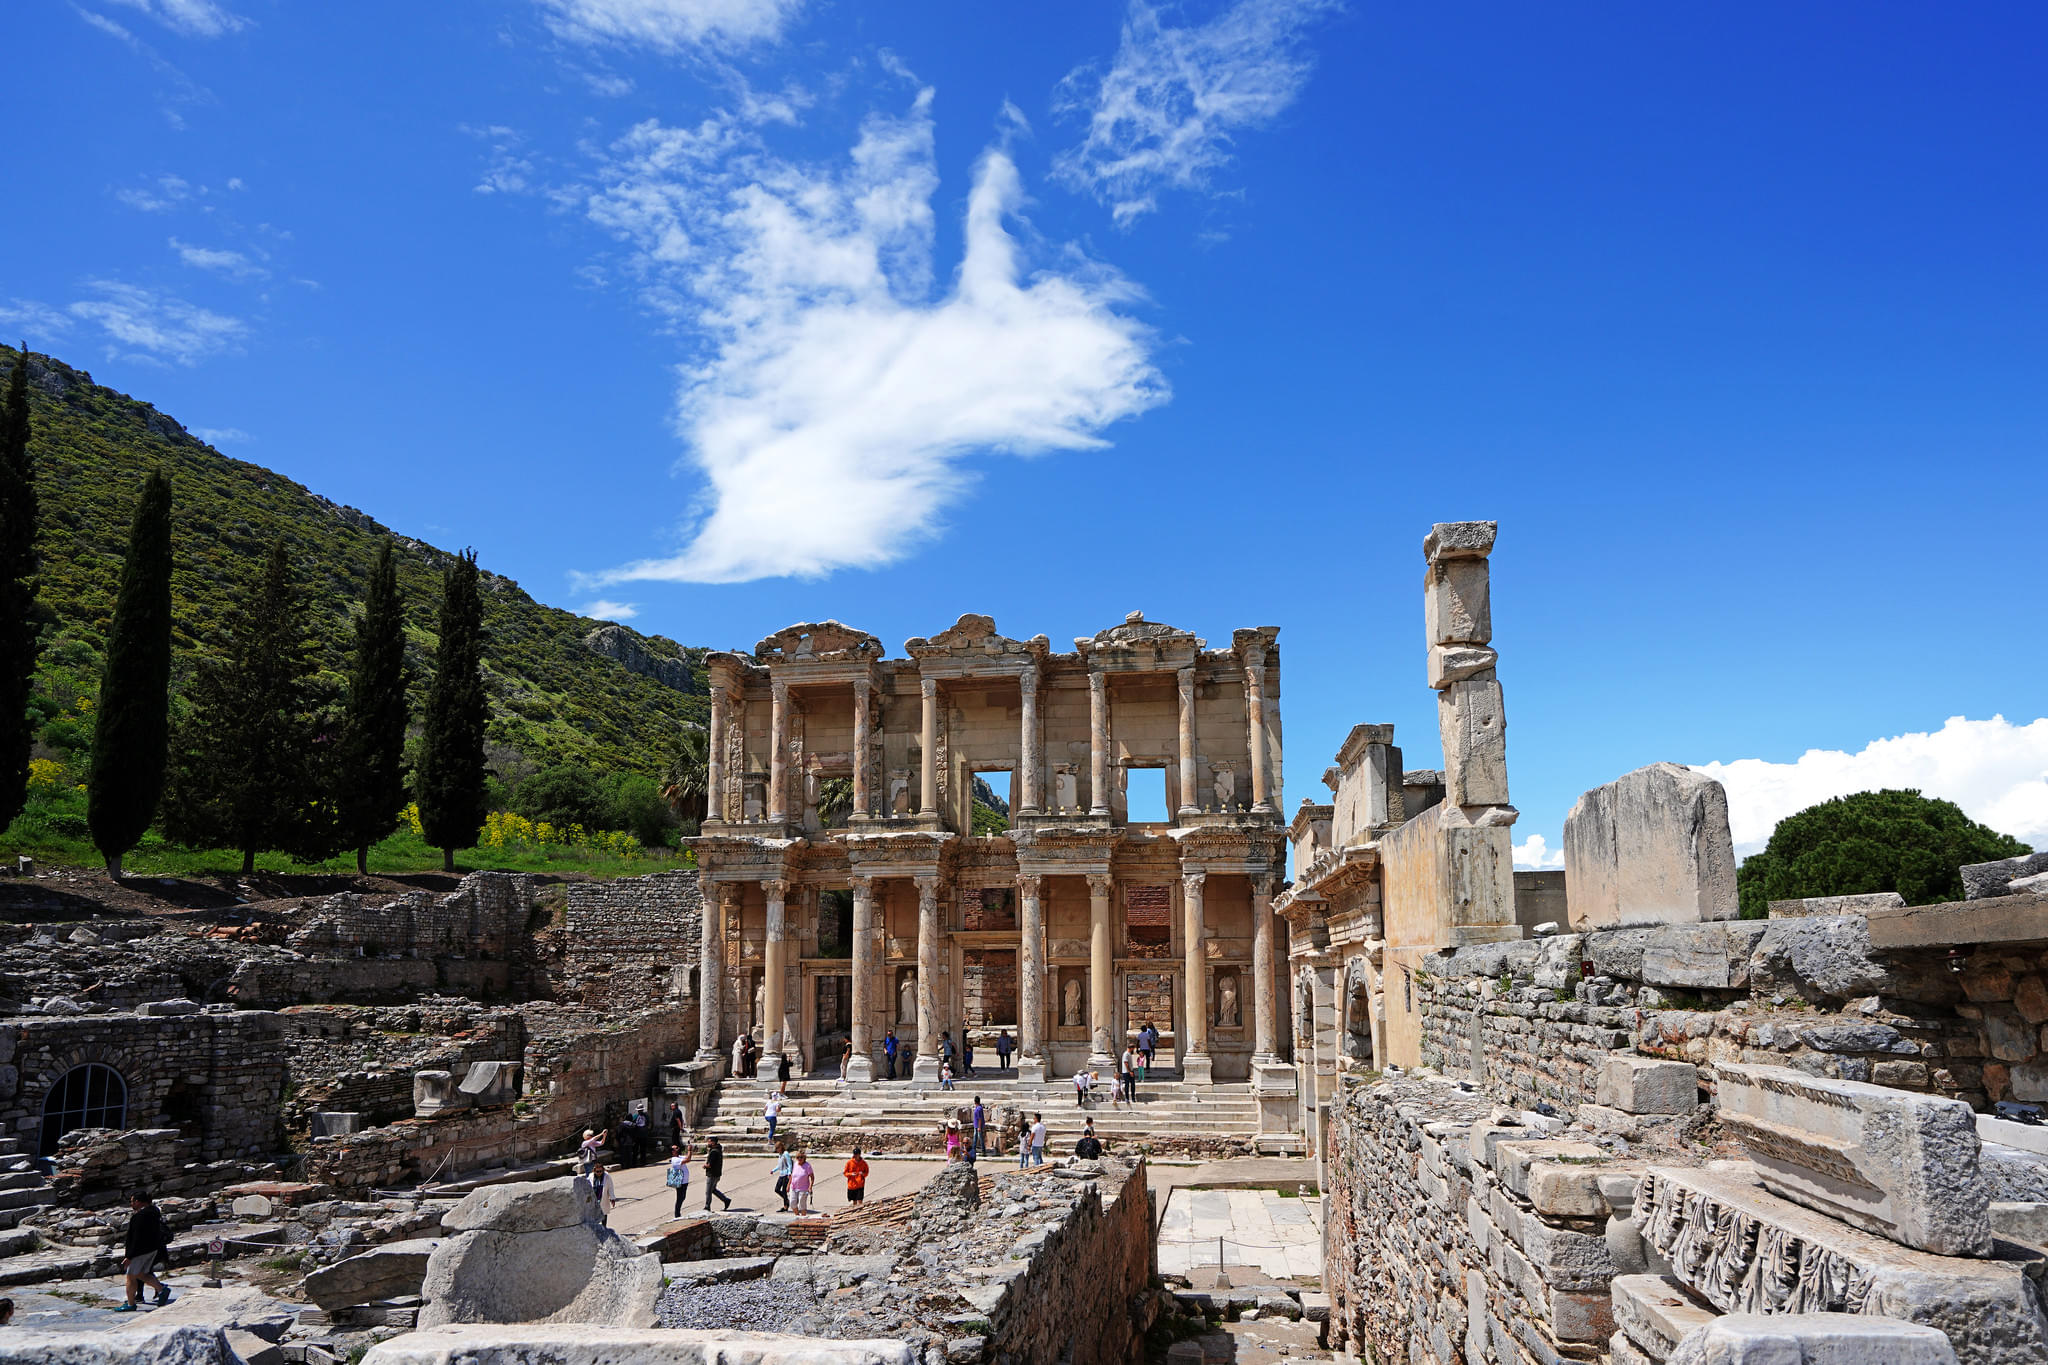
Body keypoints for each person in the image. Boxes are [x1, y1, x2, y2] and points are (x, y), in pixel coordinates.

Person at [115, 1191, 172, 1312]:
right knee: (141, 1274)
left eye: (132, 1201)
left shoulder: (139, 1216)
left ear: (138, 1202)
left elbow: (136, 1237)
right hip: (152, 1249)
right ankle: (161, 1289)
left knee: (130, 1278)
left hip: (139, 1251)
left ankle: (131, 1304)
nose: (131, 1204)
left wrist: (129, 1256)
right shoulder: (154, 1211)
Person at [703, 1137, 732, 1211]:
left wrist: (705, 1166)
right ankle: (725, 1200)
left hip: (712, 1174)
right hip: (717, 1174)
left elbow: (709, 1165)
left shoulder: (714, 1152)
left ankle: (707, 1206)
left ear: (713, 1142)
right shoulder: (718, 1149)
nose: (708, 1143)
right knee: (713, 1189)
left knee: (708, 1191)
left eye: (709, 1142)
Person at [666, 1144, 692, 1219]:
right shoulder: (675, 1160)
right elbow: (687, 1160)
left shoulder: (679, 1157)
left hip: (684, 1181)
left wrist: (689, 1151)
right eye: (676, 1148)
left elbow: (687, 1157)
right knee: (680, 1198)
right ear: (672, 1151)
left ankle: (677, 1213)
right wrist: (690, 1150)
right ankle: (677, 1214)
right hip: (680, 1181)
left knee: (682, 1197)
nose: (678, 1149)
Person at [590, 1162, 618, 1226]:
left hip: (603, 1198)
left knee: (604, 1213)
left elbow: (610, 1187)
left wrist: (612, 1198)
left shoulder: (607, 1176)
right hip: (594, 1197)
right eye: (597, 1171)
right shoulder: (591, 1177)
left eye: (600, 1171)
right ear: (594, 1171)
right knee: (594, 1214)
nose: (599, 1173)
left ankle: (604, 1228)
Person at [771, 1140, 795, 1212]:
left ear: (781, 1147)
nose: (777, 1150)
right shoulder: (780, 1154)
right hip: (781, 1174)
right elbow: (779, 1165)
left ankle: (785, 1206)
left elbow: (789, 1164)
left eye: (777, 1148)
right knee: (777, 1189)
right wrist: (773, 1170)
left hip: (786, 1174)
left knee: (784, 1190)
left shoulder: (785, 1154)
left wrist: (789, 1173)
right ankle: (786, 1199)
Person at [790, 1149, 816, 1215]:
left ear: (804, 1158)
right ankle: (797, 1215)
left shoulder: (807, 1166)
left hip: (803, 1188)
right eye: (798, 1157)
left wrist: (810, 1187)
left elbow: (812, 1177)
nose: (799, 1159)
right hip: (794, 1187)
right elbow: (792, 1176)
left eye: (801, 1157)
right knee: (792, 1203)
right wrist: (788, 1185)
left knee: (802, 1206)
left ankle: (803, 1218)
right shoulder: (795, 1164)